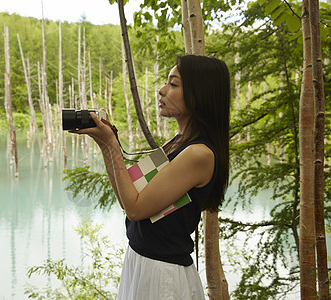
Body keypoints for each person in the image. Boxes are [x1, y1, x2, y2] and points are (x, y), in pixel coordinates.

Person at [70, 54, 230, 299]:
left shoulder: (199, 153)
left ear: (198, 96)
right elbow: (130, 198)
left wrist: (113, 145)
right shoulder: (178, 143)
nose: (161, 90)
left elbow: (135, 209)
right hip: (141, 261)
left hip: (162, 274)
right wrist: (104, 144)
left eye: (173, 84)